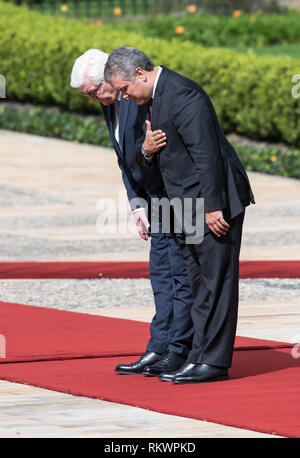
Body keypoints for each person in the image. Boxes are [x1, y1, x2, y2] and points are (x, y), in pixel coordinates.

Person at [104, 46, 255, 384]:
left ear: (140, 74)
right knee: (199, 282)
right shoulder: (154, 99)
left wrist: (215, 206)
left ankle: (214, 363)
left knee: (216, 282)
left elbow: (207, 154)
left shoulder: (183, 94)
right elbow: (153, 158)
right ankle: (198, 355)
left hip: (211, 203)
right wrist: (146, 149)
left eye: (125, 89)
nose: (125, 98)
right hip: (184, 205)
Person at [70, 49, 194, 377]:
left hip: (173, 198)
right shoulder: (110, 101)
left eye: (96, 91)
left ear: (109, 79)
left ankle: (179, 349)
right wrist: (137, 205)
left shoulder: (135, 97)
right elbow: (124, 159)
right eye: (90, 95)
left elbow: (153, 151)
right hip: (153, 201)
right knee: (161, 277)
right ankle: (159, 346)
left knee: (180, 276)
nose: (96, 98)